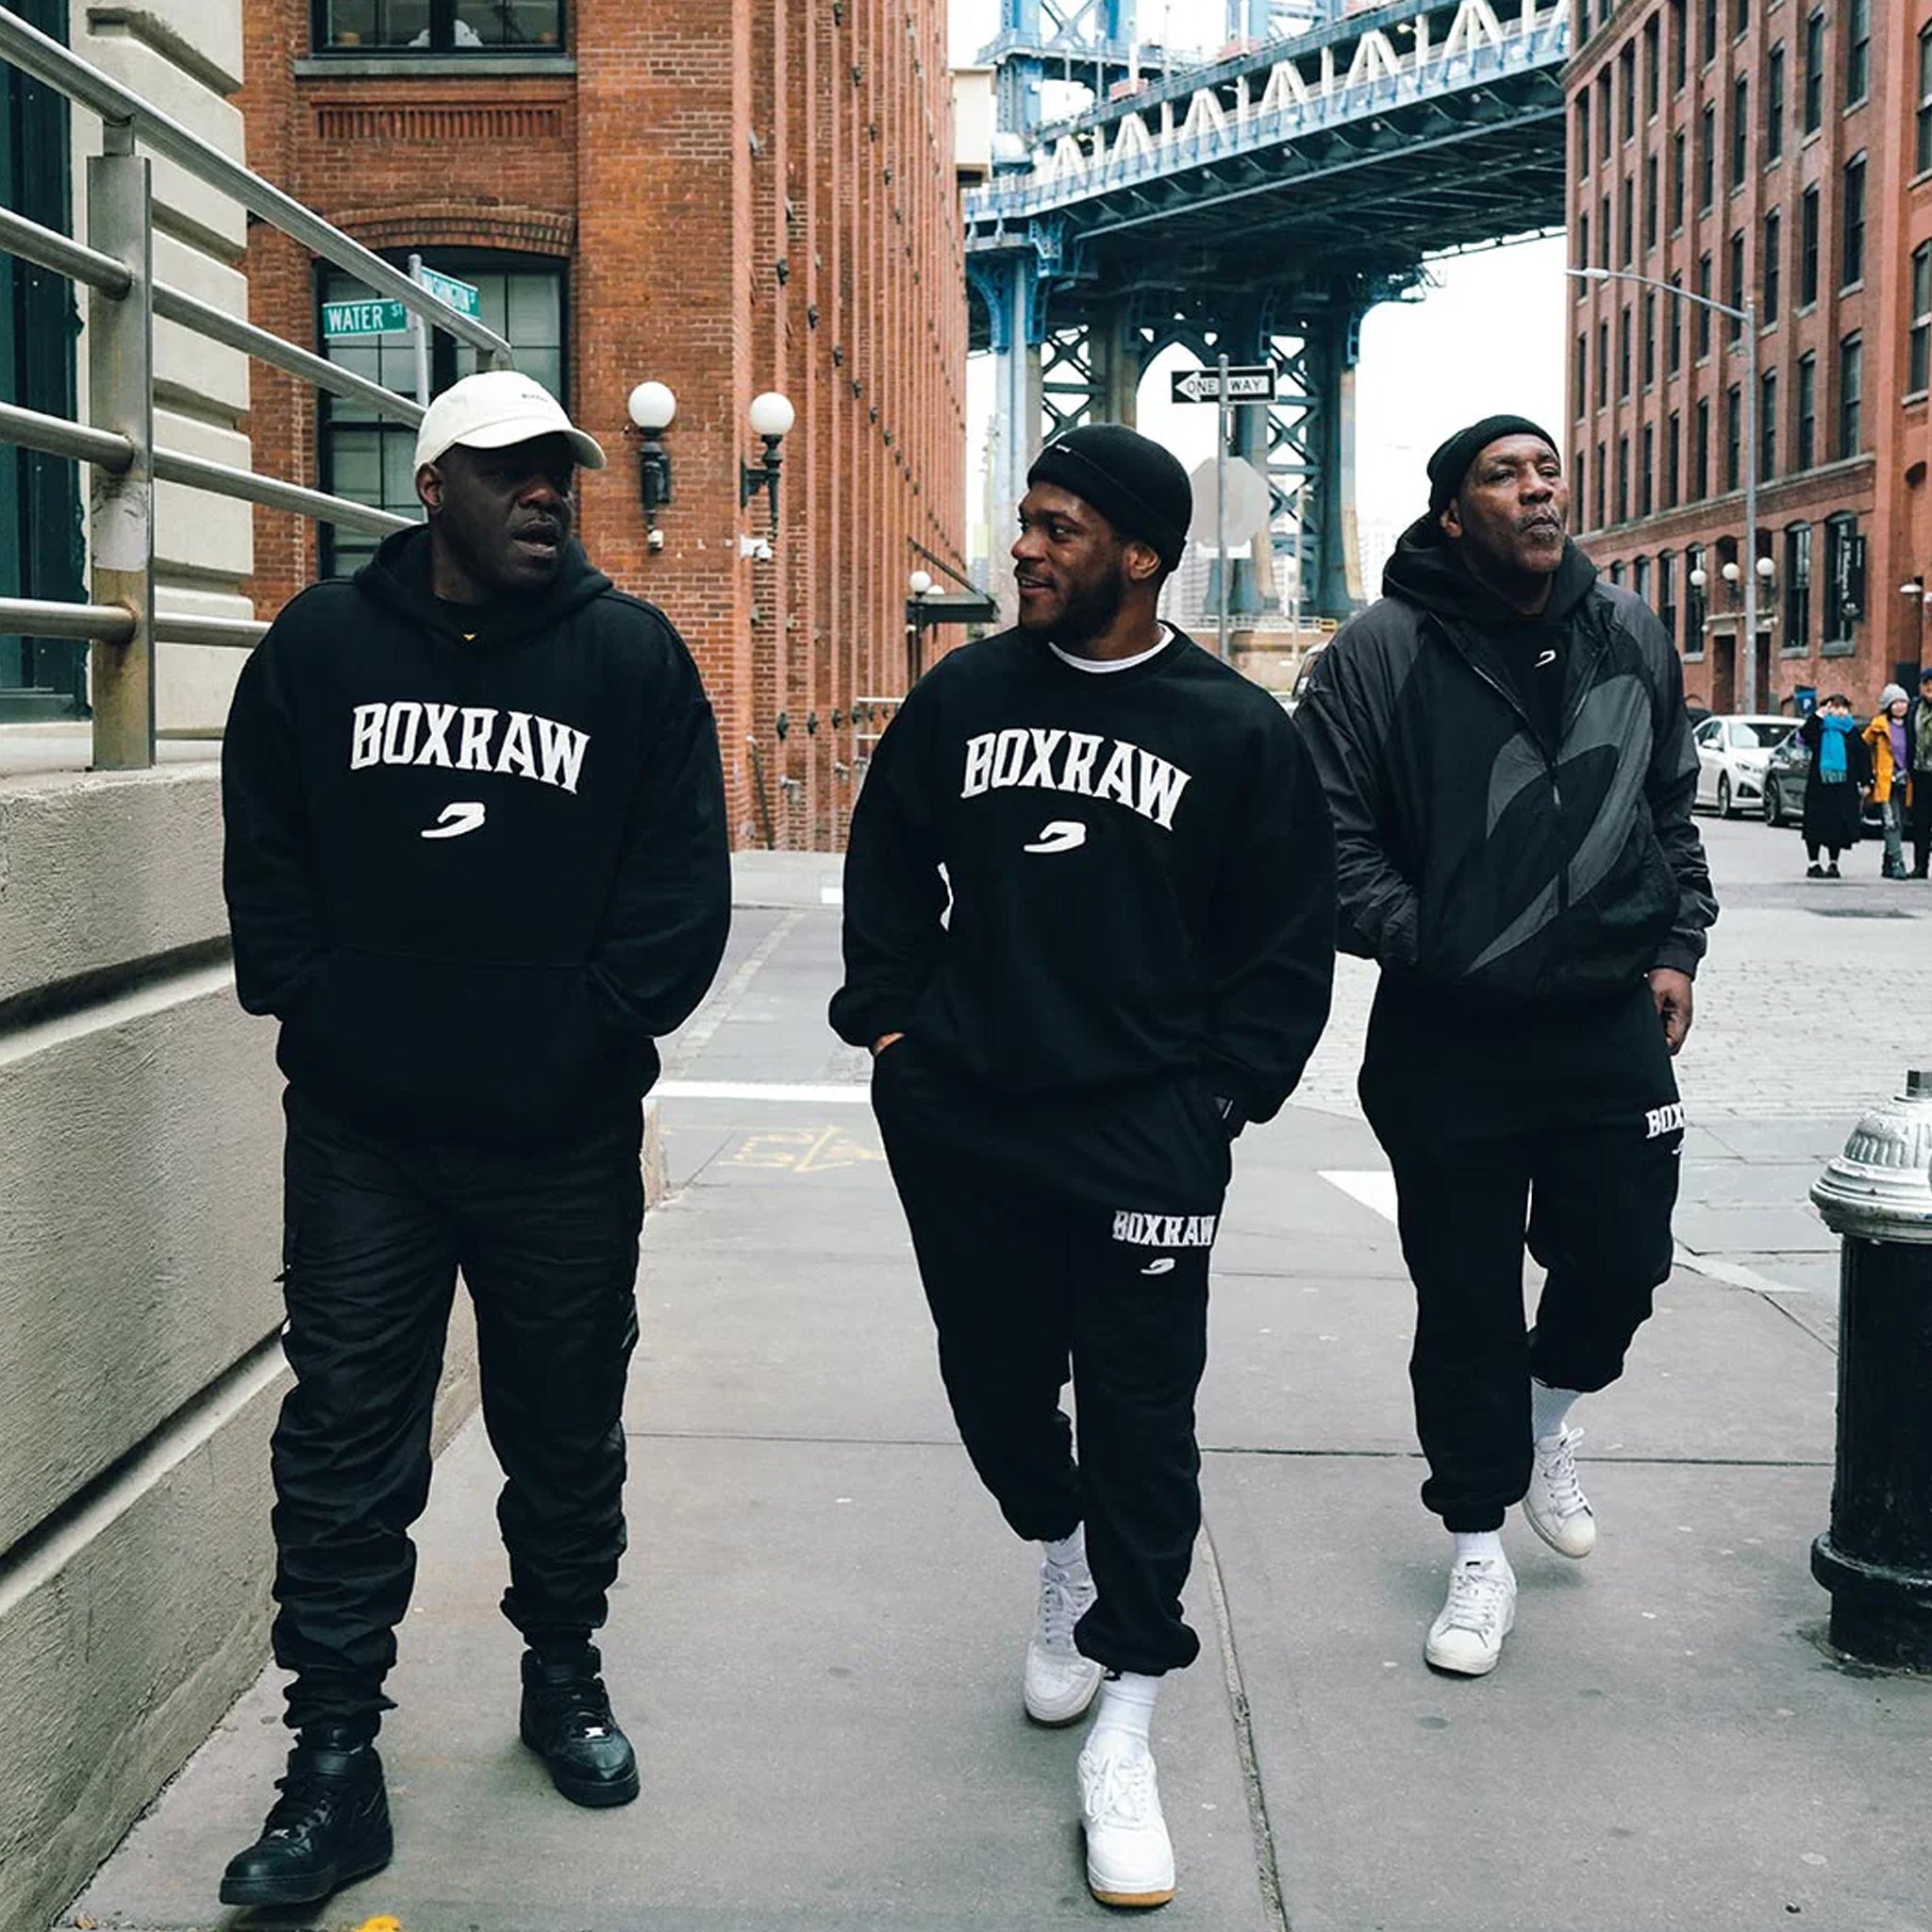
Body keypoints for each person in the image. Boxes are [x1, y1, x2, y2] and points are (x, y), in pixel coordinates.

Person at [219, 370, 731, 1907]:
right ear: (431, 483)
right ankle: (330, 1762)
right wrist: (323, 1008)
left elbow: (677, 897)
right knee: (339, 1446)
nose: (545, 494)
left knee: (562, 1428)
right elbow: (267, 849)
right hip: (366, 1136)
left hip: (558, 1142)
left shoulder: (628, 658)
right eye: (509, 471)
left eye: (559, 473)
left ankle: (561, 1673)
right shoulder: (320, 648)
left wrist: (584, 1038)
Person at [831, 423, 1334, 1908]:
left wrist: (1224, 1098)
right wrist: (892, 1031)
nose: (1024, 549)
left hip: (1145, 1130)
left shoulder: (1239, 731)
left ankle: (1127, 1714)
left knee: (1138, 1412)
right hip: (969, 1114)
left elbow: (1284, 939)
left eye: (1056, 528)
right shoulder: (968, 693)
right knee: (994, 1388)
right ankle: (1057, 1545)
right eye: (1026, 523)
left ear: (1140, 552)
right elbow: (884, 856)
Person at [1296, 415, 1717, 1679]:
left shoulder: (1629, 632)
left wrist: (1677, 946)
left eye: (1546, 470)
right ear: (1451, 515)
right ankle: (1477, 1546)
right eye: (1504, 475)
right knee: (1468, 1301)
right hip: (1449, 1036)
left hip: (1604, 1021)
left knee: (1627, 1258)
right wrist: (1444, 942)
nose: (1539, 489)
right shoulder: (1378, 654)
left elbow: (1669, 805)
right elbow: (1330, 844)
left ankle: (1546, 1421)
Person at [1797, 693, 1870, 878]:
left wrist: (1866, 781)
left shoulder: (1851, 731)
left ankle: (1833, 863)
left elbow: (1863, 756)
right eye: (1835, 707)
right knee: (1815, 824)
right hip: (1819, 786)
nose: (1839, 711)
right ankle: (1813, 863)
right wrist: (1818, 714)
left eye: (1843, 708)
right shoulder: (1820, 728)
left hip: (1843, 787)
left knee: (1837, 826)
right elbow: (1805, 734)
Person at [1862, 684, 1913, 880]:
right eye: (1896, 702)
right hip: (1885, 781)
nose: (1900, 706)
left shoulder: (1910, 726)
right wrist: (1871, 772)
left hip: (1906, 781)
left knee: (1900, 822)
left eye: (1903, 702)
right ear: (1887, 705)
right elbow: (1862, 747)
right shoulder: (1878, 726)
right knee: (1890, 821)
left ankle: (1887, 861)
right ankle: (1898, 862)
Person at [1907, 670, 1932, 879]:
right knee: (1921, 822)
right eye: (1926, 683)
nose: (1930, 687)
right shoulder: (1914, 707)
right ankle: (1920, 866)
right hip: (1921, 773)